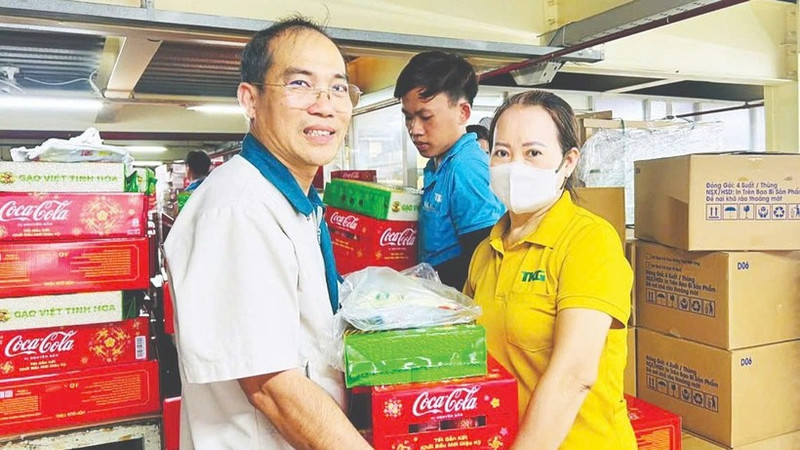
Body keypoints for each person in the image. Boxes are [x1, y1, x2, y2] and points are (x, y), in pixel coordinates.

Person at [164, 17, 371, 449]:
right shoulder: (239, 208)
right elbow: (271, 386)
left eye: (338, 87)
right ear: (250, 99)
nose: (325, 104)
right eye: (299, 84)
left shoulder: (293, 200)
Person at [464, 90, 636, 449]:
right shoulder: (486, 251)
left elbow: (574, 375)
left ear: (568, 162)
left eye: (533, 153)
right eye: (502, 152)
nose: (514, 167)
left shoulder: (589, 241)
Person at [394, 51, 504, 290]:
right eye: (408, 118)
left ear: (462, 113)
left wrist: (423, 282)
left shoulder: (466, 167)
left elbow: (482, 257)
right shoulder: (438, 164)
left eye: (425, 117)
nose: (415, 129)